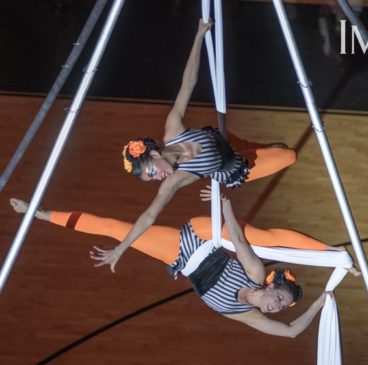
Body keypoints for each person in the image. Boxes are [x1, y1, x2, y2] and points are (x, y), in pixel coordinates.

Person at [99, 19, 296, 272]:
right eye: (153, 179)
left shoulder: (173, 129)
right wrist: (121, 248)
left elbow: (188, 82)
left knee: (273, 146)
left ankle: (266, 146)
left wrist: (199, 36)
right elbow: (149, 216)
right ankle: (267, 151)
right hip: (238, 167)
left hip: (227, 140)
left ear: (155, 153)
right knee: (288, 155)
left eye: (151, 171)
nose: (158, 177)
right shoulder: (174, 181)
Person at [10, 197, 357, 337]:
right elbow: (237, 238)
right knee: (262, 235)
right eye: (278, 299)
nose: (274, 307)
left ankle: (38, 215)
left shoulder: (245, 315)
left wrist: (321, 301)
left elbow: (292, 332)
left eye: (278, 308)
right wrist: (225, 205)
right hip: (203, 235)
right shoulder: (254, 273)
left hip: (178, 257)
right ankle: (39, 211)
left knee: (116, 229)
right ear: (270, 286)